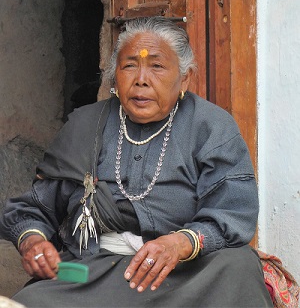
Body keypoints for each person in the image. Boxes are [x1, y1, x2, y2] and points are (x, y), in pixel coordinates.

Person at [0, 17, 273, 307]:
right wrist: (33, 242)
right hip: (93, 274)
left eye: (156, 66)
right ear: (114, 77)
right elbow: (33, 208)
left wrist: (180, 243)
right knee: (26, 302)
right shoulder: (85, 125)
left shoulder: (211, 127)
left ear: (185, 78)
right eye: (130, 65)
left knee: (238, 265)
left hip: (182, 274)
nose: (141, 79)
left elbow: (233, 212)